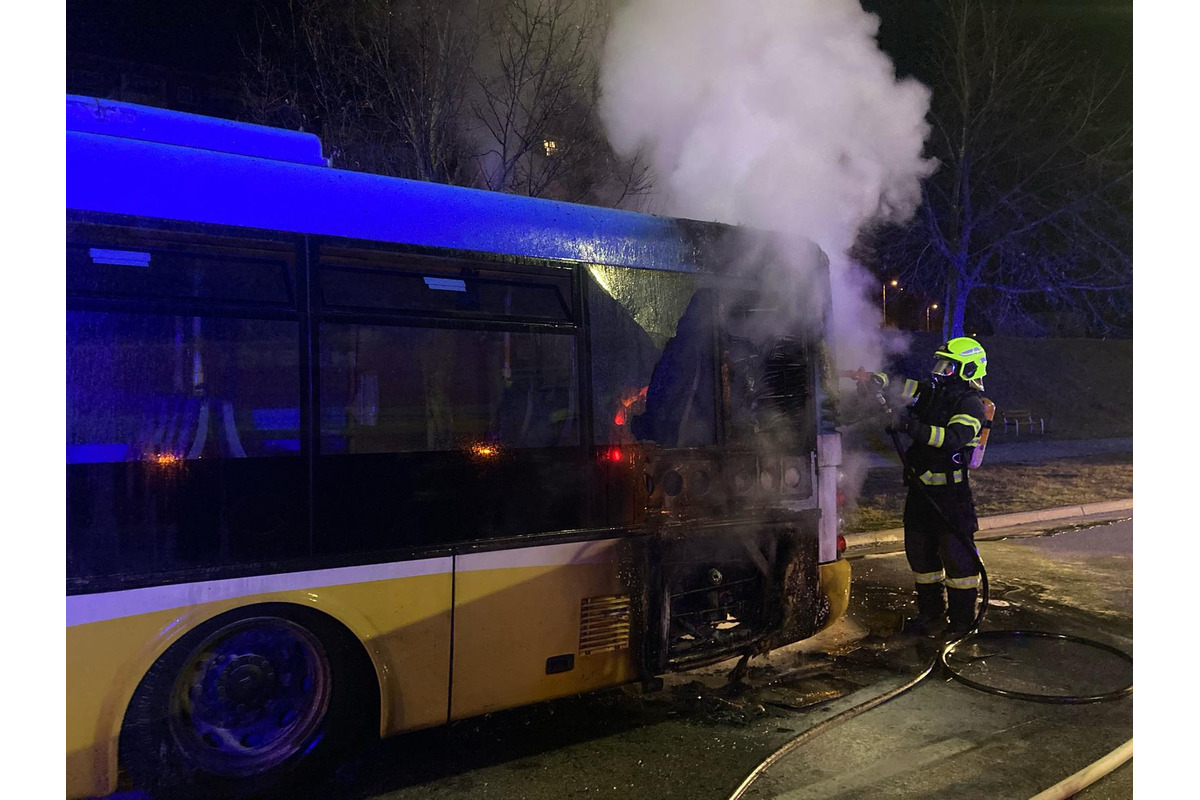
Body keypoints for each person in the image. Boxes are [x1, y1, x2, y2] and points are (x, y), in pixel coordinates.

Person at [867, 337, 989, 636]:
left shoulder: (971, 405)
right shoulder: (933, 393)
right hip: (921, 493)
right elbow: (900, 385)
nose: (940, 371)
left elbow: (950, 439)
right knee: (921, 556)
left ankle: (961, 623)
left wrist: (910, 427)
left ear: (968, 370)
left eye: (949, 367)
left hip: (951, 497)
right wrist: (876, 380)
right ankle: (930, 616)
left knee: (957, 559)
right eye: (941, 364)